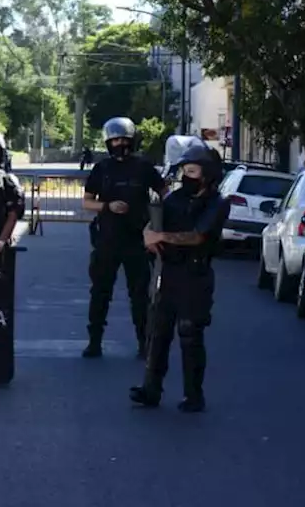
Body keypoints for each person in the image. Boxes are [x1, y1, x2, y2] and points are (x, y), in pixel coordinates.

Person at [130, 145, 231, 412]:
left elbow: (198, 236)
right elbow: (154, 223)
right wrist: (148, 234)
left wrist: (161, 237)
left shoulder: (218, 204)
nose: (187, 176)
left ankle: (193, 395)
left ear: (207, 174)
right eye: (185, 171)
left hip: (195, 275)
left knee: (189, 334)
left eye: (193, 171)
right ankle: (151, 390)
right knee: (158, 332)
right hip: (169, 270)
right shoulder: (175, 199)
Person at [81, 117, 168, 359]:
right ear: (108, 143)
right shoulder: (102, 169)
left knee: (140, 295)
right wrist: (108, 206)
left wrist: (159, 220)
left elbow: (165, 193)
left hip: (137, 240)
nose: (120, 144)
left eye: (124, 140)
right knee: (100, 292)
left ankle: (144, 342)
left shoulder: (143, 167)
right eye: (115, 140)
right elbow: (87, 201)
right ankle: (94, 341)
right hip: (107, 239)